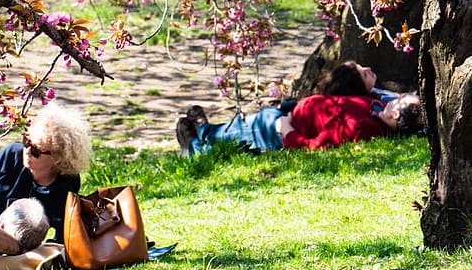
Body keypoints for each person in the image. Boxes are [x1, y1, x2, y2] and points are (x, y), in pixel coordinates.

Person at [0, 102, 91, 243]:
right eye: (26, 142)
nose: (26, 151)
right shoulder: (9, 157)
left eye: (35, 150)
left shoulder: (66, 183)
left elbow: (64, 237)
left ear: (58, 158)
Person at [176, 92, 424, 156]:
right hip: (289, 112)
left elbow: (315, 146)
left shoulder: (360, 128)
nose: (395, 99)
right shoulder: (377, 111)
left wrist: (287, 130)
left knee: (238, 132)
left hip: (278, 129)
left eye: (399, 101)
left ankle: (195, 146)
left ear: (397, 117)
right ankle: (204, 131)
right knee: (237, 128)